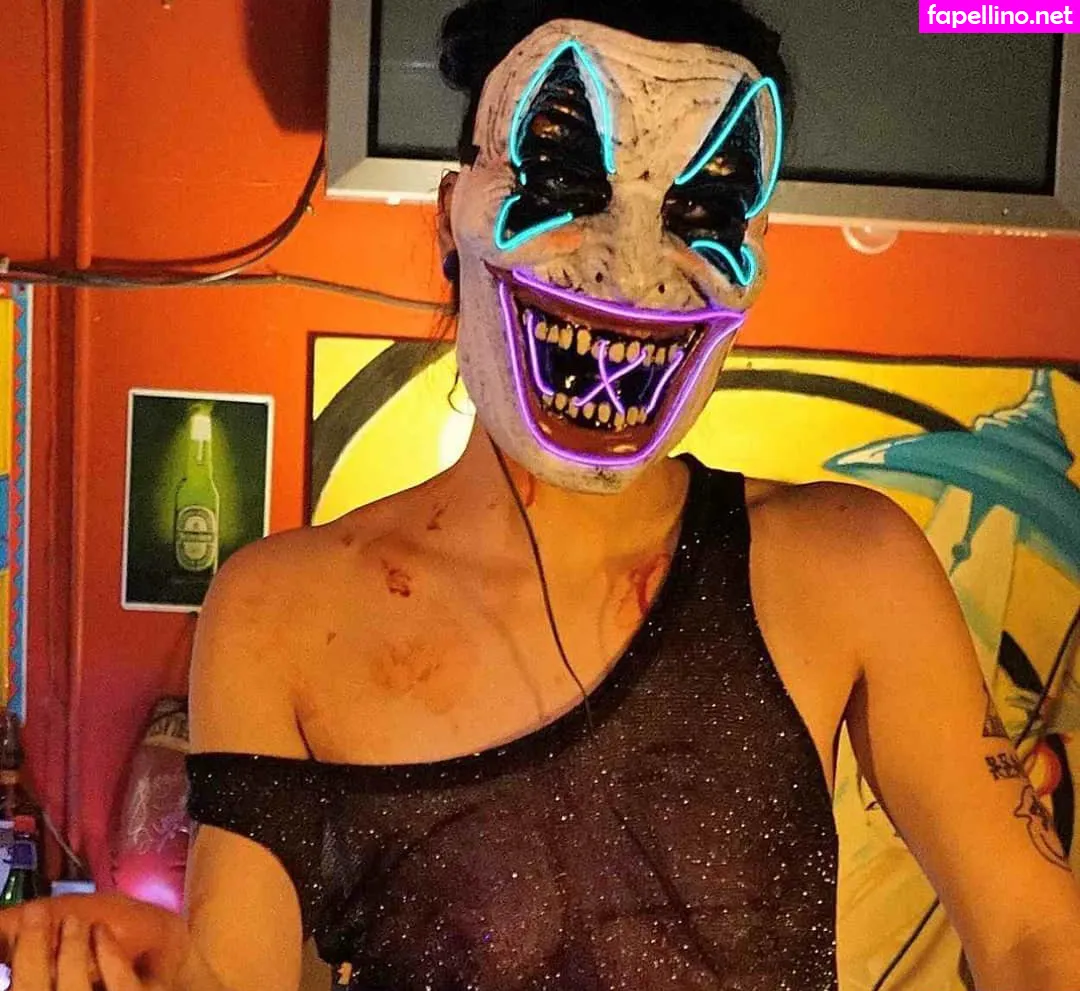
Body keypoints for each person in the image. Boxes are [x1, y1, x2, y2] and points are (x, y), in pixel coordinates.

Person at [4, 1, 1080, 989]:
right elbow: (238, 973)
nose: (629, 265)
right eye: (566, 184)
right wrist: (149, 968)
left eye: (701, 207)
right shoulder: (281, 611)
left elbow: (1035, 931)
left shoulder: (845, 564)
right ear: (452, 217)